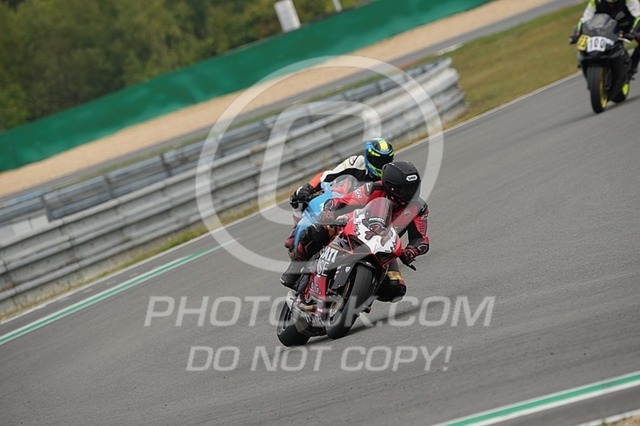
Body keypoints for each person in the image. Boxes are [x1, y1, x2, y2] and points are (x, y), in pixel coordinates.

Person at [280, 160, 430, 303]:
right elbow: (343, 201)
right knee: (318, 231)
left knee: (396, 289)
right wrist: (328, 213)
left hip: (383, 247)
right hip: (352, 227)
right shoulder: (373, 189)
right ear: (391, 187)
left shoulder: (419, 208)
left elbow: (421, 238)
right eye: (406, 189)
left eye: (414, 187)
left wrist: (412, 251)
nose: (412, 192)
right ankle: (296, 269)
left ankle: (359, 297)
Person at [284, 137, 395, 249]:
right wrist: (308, 188)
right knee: (298, 196)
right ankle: (295, 231)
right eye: (379, 161)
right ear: (368, 158)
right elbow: (328, 175)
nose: (382, 165)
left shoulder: (392, 174)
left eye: (386, 161)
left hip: (371, 214)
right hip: (344, 205)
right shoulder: (357, 162)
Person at [569, 0, 640, 75]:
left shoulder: (629, 0)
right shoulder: (595, 1)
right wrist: (576, 34)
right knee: (585, 41)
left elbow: (638, 17)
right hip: (606, 29)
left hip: (628, 27)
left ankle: (633, 64)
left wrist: (633, 32)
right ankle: (586, 62)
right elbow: (584, 19)